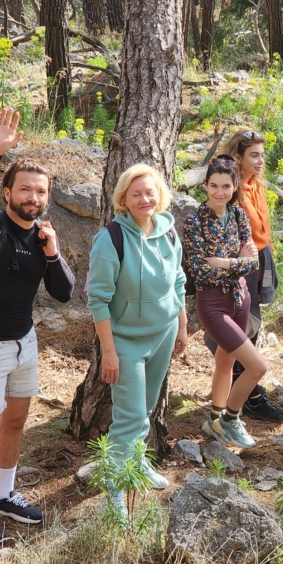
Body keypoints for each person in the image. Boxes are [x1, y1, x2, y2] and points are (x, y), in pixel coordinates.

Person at [0, 107, 75, 543]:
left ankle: (5, 493)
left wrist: (53, 250)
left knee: (16, 421)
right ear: (7, 193)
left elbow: (64, 292)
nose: (33, 197)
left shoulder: (42, 234)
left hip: (24, 343)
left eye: (40, 191)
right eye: (24, 189)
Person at [86, 164, 188, 516]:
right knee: (128, 418)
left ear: (160, 195)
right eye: (136, 194)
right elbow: (98, 299)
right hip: (125, 341)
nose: (145, 199)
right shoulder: (110, 238)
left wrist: (182, 325)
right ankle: (114, 491)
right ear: (123, 200)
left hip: (164, 334)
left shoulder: (168, 232)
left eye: (150, 192)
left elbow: (178, 280)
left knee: (144, 409)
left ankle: (138, 463)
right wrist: (109, 352)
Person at [200, 129, 283, 422]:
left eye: (262, 155)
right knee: (244, 324)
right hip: (240, 265)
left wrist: (268, 254)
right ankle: (249, 394)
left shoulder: (255, 185)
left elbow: (261, 225)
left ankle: (243, 388)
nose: (261, 161)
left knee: (254, 321)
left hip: (260, 258)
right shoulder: (232, 193)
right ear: (239, 158)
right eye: (254, 156)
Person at [181, 156, 267, 448]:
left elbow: (253, 261)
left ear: (234, 187)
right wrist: (237, 261)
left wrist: (224, 262)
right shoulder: (195, 220)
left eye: (226, 186)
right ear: (204, 185)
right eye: (214, 185)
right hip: (213, 303)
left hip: (240, 298)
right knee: (257, 367)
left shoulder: (240, 215)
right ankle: (232, 419)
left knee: (226, 362)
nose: (220, 192)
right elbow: (199, 269)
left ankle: (215, 419)